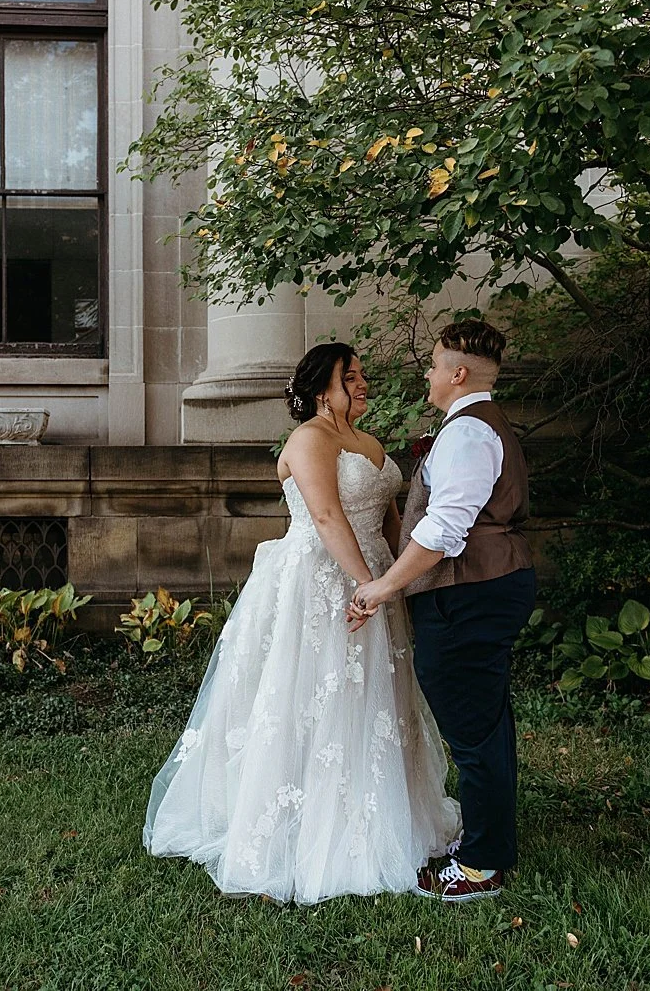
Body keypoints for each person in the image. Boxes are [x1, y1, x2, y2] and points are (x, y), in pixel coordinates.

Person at [142, 342, 459, 904]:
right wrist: (366, 585)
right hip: (320, 582)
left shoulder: (368, 441)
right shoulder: (309, 439)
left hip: (371, 583)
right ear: (322, 390)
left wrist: (396, 585)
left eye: (361, 377)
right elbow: (325, 514)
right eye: (351, 378)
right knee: (310, 698)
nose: (362, 385)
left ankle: (379, 811)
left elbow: (387, 516)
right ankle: (301, 827)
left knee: (373, 700)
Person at [349, 319, 536, 903]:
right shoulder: (477, 426)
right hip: (482, 588)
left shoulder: (467, 434)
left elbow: (444, 529)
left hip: (468, 593)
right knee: (485, 723)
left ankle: (481, 866)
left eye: (433, 365)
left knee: (473, 729)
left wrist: (383, 588)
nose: (427, 374)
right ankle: (491, 843)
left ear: (458, 374)